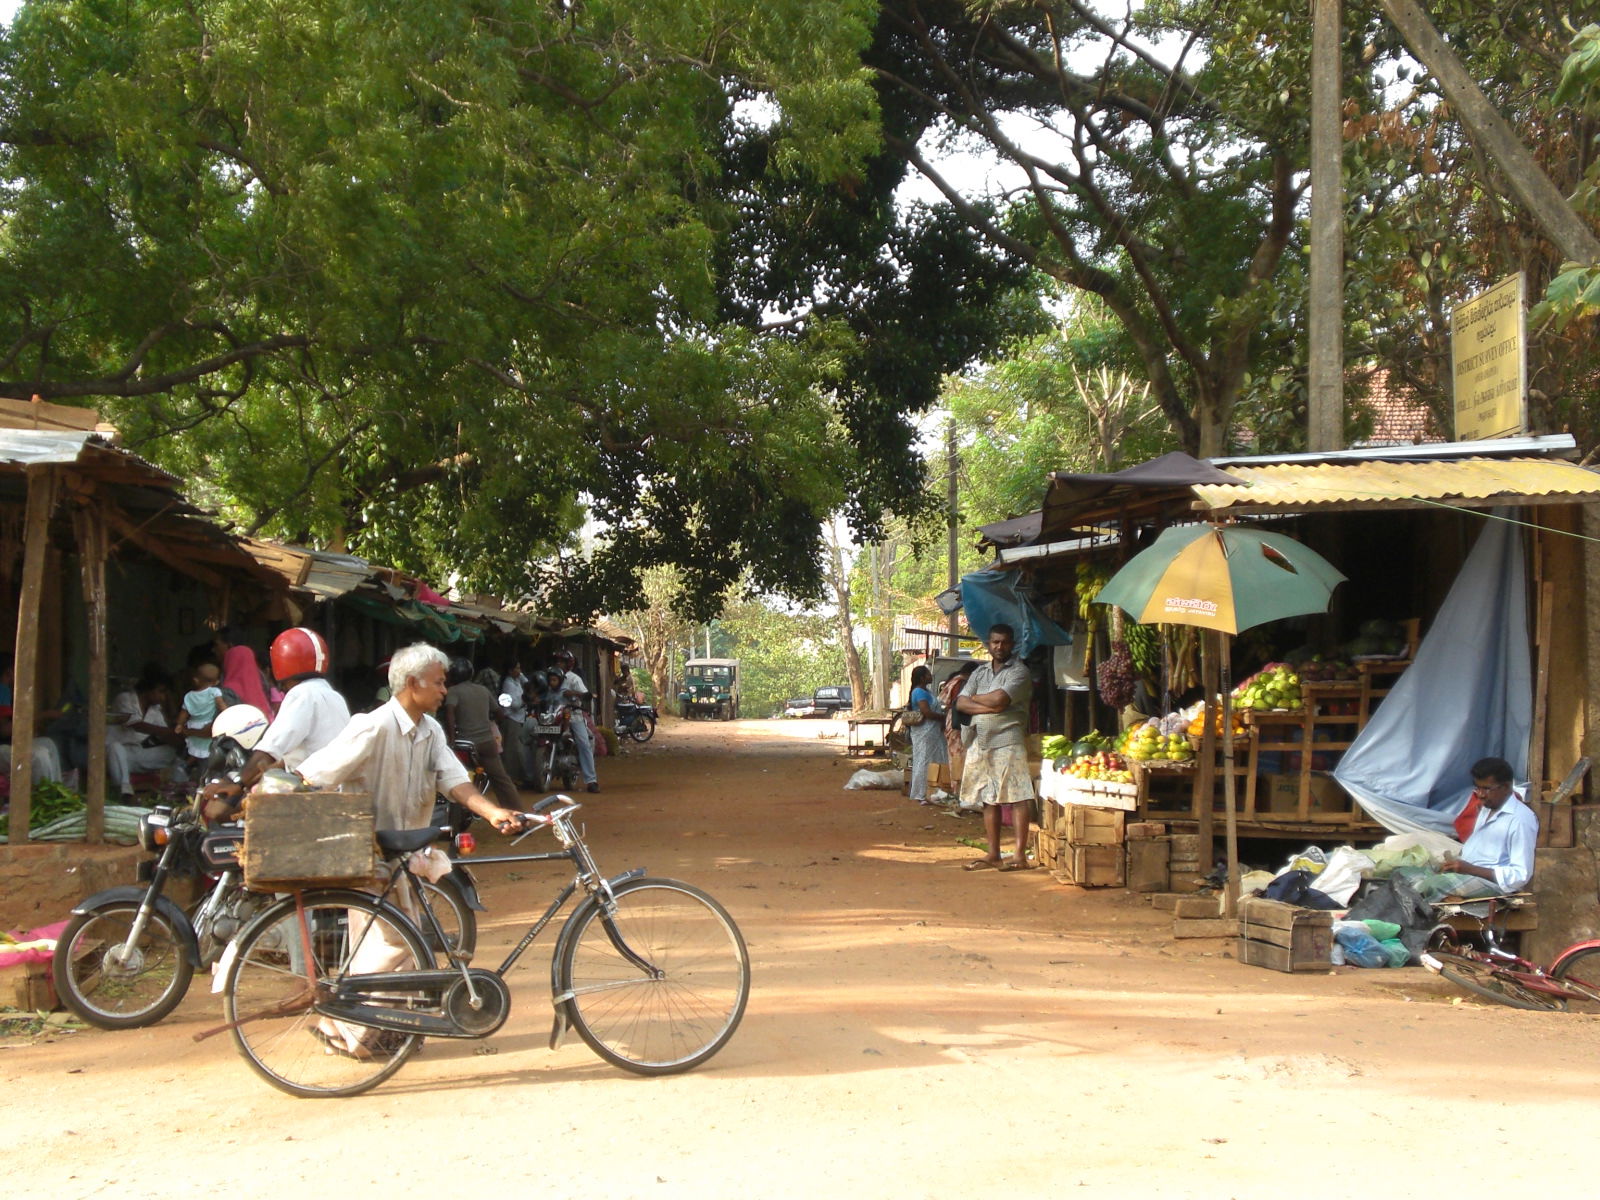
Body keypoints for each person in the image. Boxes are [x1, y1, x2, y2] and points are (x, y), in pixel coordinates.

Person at [293, 643, 527, 1059]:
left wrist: (492, 812)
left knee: (396, 946)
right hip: (369, 856)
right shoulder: (374, 726)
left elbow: (455, 781)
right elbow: (317, 773)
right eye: (438, 683)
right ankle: (340, 1021)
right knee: (389, 944)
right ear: (412, 683)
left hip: (409, 855)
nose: (444, 691)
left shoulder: (431, 731)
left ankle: (377, 1033)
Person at [200, 627, 351, 822]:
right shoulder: (332, 696)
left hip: (311, 795)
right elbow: (285, 757)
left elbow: (271, 748)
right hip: (332, 791)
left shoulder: (302, 694)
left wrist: (237, 782)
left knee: (218, 811)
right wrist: (246, 779)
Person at [955, 625, 1036, 871]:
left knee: (1018, 796)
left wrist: (980, 700)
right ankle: (993, 854)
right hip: (980, 741)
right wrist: (989, 704)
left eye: (1004, 642)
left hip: (1008, 740)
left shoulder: (1019, 672)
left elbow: (1000, 700)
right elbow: (960, 703)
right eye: (995, 642)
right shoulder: (979, 673)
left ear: (1012, 644)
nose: (999, 646)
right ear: (988, 644)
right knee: (989, 799)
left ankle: (1019, 856)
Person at [1408, 757, 1538, 902]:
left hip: (1494, 885)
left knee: (1432, 885)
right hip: (1468, 874)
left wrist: (1470, 869)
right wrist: (1458, 866)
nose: (1480, 794)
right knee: (1405, 874)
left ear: (1506, 787)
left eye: (1487, 789)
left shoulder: (1520, 819)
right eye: (1478, 787)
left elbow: (1520, 875)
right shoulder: (1486, 808)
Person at [441, 656, 525, 812]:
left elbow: (450, 714)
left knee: (455, 778)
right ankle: (518, 814)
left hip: (464, 745)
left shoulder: (453, 691)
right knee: (502, 779)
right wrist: (490, 723)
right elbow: (499, 713)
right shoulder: (483, 690)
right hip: (487, 743)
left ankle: (453, 815)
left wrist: (452, 740)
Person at [106, 670, 183, 797]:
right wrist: (170, 731)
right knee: (115, 748)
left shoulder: (155, 710)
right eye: (161, 692)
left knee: (170, 752)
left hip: (137, 756)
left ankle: (174, 789)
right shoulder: (125, 699)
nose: (163, 698)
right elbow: (136, 724)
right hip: (118, 753)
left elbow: (164, 735)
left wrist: (182, 737)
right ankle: (125, 791)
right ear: (148, 689)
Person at [552, 649, 599, 793]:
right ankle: (530, 776)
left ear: (568, 664)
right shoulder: (549, 675)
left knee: (584, 743)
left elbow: (585, 695)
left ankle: (591, 780)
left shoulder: (573, 679)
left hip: (573, 715)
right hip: (552, 715)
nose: (558, 664)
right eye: (557, 661)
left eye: (561, 662)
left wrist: (582, 699)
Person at [905, 664, 949, 805]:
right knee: (924, 761)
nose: (931, 676)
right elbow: (926, 712)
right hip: (924, 731)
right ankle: (920, 793)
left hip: (933, 732)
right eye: (928, 674)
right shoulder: (919, 692)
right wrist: (943, 717)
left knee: (935, 759)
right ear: (923, 677)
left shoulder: (927, 691)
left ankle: (934, 791)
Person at [940, 660, 979, 800]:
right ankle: (960, 791)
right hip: (960, 723)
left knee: (954, 756)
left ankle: (957, 790)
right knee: (961, 757)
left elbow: (944, 701)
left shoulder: (953, 681)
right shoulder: (962, 683)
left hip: (952, 722)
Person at [176, 662, 226, 771]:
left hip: (193, 725)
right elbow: (222, 707)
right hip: (208, 725)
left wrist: (179, 725)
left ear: (196, 680)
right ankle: (205, 774)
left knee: (196, 750)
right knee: (208, 752)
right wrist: (227, 715)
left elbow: (184, 713)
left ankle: (187, 766)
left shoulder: (189, 696)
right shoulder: (215, 691)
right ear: (217, 681)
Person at [215, 625, 274, 717]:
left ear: (229, 646)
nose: (214, 650)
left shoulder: (227, 691)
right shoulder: (261, 680)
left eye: (216, 644)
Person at [497, 661, 532, 784]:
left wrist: (520, 674)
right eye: (516, 668)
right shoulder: (508, 685)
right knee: (512, 751)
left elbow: (527, 682)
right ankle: (510, 778)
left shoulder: (516, 681)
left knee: (515, 749)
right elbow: (515, 705)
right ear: (510, 671)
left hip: (518, 719)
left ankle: (514, 777)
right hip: (511, 719)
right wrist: (525, 700)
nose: (519, 670)